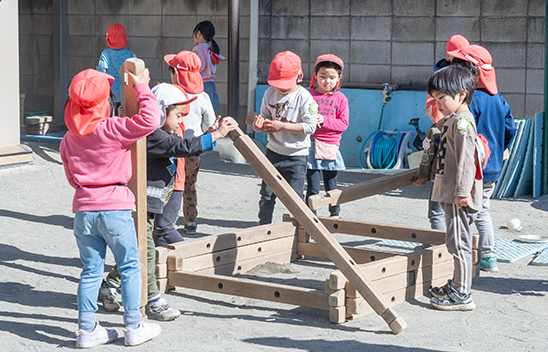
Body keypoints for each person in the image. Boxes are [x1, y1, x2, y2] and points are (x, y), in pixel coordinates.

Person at [100, 83, 236, 321]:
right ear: (161, 112)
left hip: (149, 202)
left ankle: (109, 285)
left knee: (137, 250)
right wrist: (216, 135)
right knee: (147, 252)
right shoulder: (152, 136)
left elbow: (182, 144)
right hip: (141, 202)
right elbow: (183, 147)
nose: (180, 121)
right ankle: (152, 300)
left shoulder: (159, 133)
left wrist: (209, 134)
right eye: (178, 115)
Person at [60, 68, 161, 347]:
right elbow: (151, 120)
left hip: (83, 209)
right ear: (105, 103)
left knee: (90, 270)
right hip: (115, 206)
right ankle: (133, 326)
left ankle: (87, 330)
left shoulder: (68, 140)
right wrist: (142, 87)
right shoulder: (113, 128)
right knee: (129, 266)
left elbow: (71, 177)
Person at [449, 44, 517, 272]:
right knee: (482, 210)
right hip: (493, 166)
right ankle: (487, 256)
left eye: (459, 69)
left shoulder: (470, 102)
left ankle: (483, 256)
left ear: (473, 74)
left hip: (473, 167)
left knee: (471, 213)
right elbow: (510, 130)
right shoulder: (499, 100)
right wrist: (496, 150)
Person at [427, 65, 483, 311]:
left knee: (459, 242)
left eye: (442, 98)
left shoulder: (463, 125)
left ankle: (463, 293)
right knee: (454, 240)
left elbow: (465, 161)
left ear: (461, 95)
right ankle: (457, 284)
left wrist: (462, 191)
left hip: (458, 195)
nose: (438, 103)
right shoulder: (452, 120)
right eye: (436, 98)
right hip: (449, 191)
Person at [251, 51, 318, 225]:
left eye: (285, 84)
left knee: (295, 198)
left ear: (299, 76)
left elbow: (310, 127)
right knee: (266, 195)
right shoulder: (269, 93)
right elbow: (263, 118)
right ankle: (263, 229)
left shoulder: (305, 98)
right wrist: (259, 126)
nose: (281, 88)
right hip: (273, 152)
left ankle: (300, 231)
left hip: (297, 155)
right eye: (277, 84)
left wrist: (282, 126)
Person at [164, 50, 218, 235]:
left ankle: (164, 222)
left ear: (175, 73)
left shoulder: (171, 93)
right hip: (193, 149)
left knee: (167, 184)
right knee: (189, 185)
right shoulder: (203, 97)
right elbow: (210, 125)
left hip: (169, 148)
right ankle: (191, 221)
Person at [305, 54, 349, 218]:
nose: (327, 81)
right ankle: (310, 215)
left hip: (330, 146)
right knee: (312, 185)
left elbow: (343, 124)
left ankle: (335, 213)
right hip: (310, 143)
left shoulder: (341, 99)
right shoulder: (306, 94)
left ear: (339, 78)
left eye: (332, 77)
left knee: (331, 184)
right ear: (315, 75)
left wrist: (324, 120)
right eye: (322, 76)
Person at [413, 95, 446, 230]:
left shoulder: (434, 130)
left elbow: (428, 156)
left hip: (439, 177)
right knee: (454, 214)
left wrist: (422, 175)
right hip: (459, 177)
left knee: (436, 214)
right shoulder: (463, 122)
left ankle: (438, 244)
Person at [96, 23, 136, 111]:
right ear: (125, 38)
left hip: (110, 96)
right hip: (128, 97)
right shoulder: (131, 55)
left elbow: (101, 73)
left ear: (108, 38)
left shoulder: (106, 54)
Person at [192, 20, 225, 111]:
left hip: (202, 85)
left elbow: (200, 65)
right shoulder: (209, 48)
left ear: (199, 33)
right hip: (211, 84)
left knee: (201, 113)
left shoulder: (198, 48)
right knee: (210, 113)